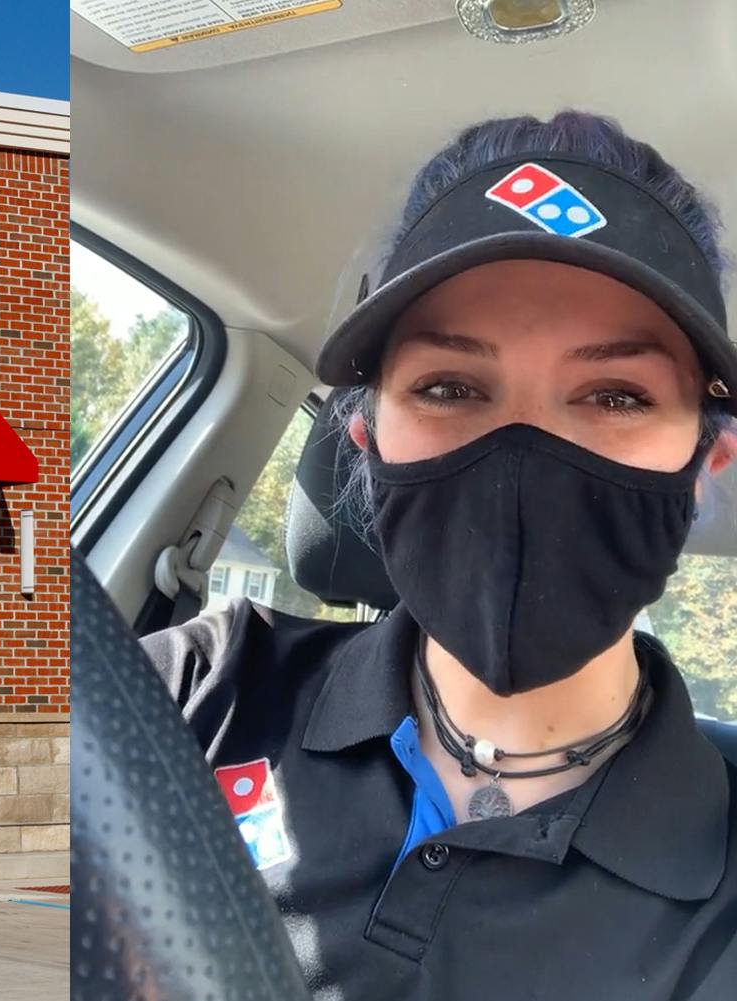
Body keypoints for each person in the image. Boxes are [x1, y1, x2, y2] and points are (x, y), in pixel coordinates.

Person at [142, 111, 737, 1000]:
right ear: (368, 439)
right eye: (451, 387)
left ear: (704, 464)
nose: (525, 451)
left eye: (615, 394)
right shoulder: (199, 691)